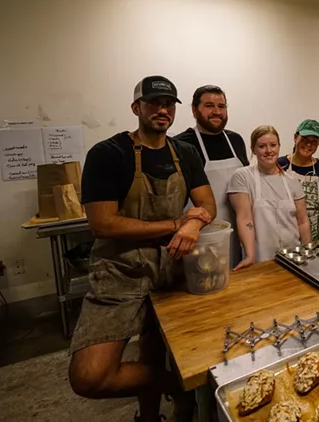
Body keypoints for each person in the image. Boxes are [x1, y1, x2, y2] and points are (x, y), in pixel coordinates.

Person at [68, 76, 216, 422]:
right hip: (120, 270)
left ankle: (153, 415)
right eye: (153, 103)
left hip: (174, 266)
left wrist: (194, 223)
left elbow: (206, 204)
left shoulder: (185, 152)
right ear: (136, 108)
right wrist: (174, 225)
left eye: (168, 104)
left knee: (155, 347)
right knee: (89, 376)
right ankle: (180, 385)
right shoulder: (109, 154)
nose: (162, 110)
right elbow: (103, 223)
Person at [175, 85, 249, 267]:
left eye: (222, 106)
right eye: (209, 106)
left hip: (239, 229)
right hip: (201, 234)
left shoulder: (236, 140)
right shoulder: (181, 144)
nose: (217, 112)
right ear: (194, 110)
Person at [227, 126, 311, 268]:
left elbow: (302, 222)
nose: (268, 151)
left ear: (279, 147)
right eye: (262, 146)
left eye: (273, 145)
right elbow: (244, 218)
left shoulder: (292, 181)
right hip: (261, 257)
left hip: (293, 257)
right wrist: (250, 255)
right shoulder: (243, 177)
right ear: (253, 149)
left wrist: (308, 252)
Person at [278, 119, 319, 242]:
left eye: (314, 141)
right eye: (305, 139)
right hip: (286, 227)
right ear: (295, 137)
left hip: (316, 232)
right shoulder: (280, 165)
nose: (309, 144)